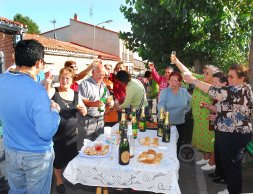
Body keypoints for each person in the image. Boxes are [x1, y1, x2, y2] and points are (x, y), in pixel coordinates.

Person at [0, 39, 60, 194]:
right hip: (36, 155)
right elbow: (46, 132)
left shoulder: (2, 81)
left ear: (15, 58)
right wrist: (54, 112)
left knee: (16, 191)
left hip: (11, 151)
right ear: (39, 63)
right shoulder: (37, 91)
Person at [183, 64, 253, 194]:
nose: (229, 80)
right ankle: (231, 189)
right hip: (229, 132)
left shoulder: (240, 90)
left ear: (242, 78)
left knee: (232, 167)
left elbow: (215, 91)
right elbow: (227, 109)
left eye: (232, 77)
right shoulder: (236, 89)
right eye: (229, 76)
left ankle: (234, 191)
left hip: (234, 134)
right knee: (229, 165)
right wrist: (214, 111)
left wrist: (193, 80)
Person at [172, 56, 219, 171]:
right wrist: (177, 62)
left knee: (210, 140)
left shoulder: (215, 85)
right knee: (202, 139)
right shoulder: (202, 79)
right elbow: (187, 72)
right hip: (198, 116)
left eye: (207, 73)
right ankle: (206, 158)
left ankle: (212, 162)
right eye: (204, 72)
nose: (204, 74)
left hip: (208, 117)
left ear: (214, 75)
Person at [46, 67, 87, 193]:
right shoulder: (54, 91)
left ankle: (71, 176)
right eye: (62, 77)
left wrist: (82, 110)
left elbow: (84, 112)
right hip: (56, 133)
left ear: (73, 80)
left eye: (67, 78)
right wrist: (48, 81)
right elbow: (45, 97)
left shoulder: (76, 94)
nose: (64, 80)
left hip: (71, 134)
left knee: (71, 155)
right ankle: (59, 180)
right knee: (57, 158)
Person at [77, 62, 111, 150]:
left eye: (103, 74)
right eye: (99, 74)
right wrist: (94, 103)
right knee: (84, 148)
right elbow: (82, 101)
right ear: (93, 72)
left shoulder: (104, 86)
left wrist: (110, 103)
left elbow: (106, 100)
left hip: (100, 121)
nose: (101, 76)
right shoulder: (85, 84)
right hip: (87, 121)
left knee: (99, 147)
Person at [201, 72, 228, 185]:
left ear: (224, 83)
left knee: (223, 153)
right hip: (218, 126)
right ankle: (218, 172)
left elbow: (227, 113)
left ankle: (223, 176)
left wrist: (216, 116)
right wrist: (209, 106)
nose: (214, 84)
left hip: (226, 129)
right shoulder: (218, 95)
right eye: (213, 82)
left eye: (216, 82)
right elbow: (218, 109)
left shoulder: (227, 95)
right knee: (217, 150)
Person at [157, 71, 191, 153]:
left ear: (180, 82)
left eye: (175, 80)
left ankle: (175, 159)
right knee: (165, 143)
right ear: (168, 81)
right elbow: (160, 104)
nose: (173, 82)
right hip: (166, 123)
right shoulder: (164, 92)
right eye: (171, 80)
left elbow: (191, 101)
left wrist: (187, 109)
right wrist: (162, 111)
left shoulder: (184, 92)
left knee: (178, 143)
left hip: (180, 122)